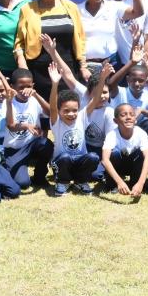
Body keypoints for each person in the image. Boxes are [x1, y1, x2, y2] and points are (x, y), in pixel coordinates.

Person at [14, 0, 88, 102]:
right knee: (45, 110)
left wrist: (83, 66)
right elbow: (19, 43)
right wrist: (22, 66)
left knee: (68, 106)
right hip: (39, 71)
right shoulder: (27, 9)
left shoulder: (70, 7)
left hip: (68, 68)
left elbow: (80, 38)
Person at [47, 63, 106, 196]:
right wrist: (55, 84)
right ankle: (63, 182)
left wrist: (102, 79)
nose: (71, 114)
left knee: (93, 157)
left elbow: (96, 99)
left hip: (79, 160)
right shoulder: (57, 122)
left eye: (74, 110)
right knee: (65, 158)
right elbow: (52, 108)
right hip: (62, 162)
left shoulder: (82, 117)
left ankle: (81, 181)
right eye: (66, 111)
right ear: (60, 111)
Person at [78, 0, 144, 73]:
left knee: (110, 90)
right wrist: (82, 66)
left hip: (111, 64)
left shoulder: (113, 6)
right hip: (85, 67)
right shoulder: (77, 10)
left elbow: (138, 12)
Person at [2, 68, 53, 188]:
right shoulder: (7, 103)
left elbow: (51, 113)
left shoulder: (34, 100)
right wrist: (26, 125)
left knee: (47, 144)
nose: (25, 91)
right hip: (14, 149)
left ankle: (39, 176)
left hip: (32, 145)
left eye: (28, 86)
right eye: (20, 87)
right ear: (12, 86)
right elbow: (11, 126)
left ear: (33, 85)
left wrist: (36, 94)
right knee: (23, 183)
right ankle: (6, 165)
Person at [100, 104, 148, 198]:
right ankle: (113, 185)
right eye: (123, 115)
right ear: (115, 121)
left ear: (135, 119)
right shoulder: (111, 135)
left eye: (132, 114)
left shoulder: (141, 133)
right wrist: (120, 182)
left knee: (142, 153)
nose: (128, 117)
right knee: (114, 153)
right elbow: (105, 160)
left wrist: (141, 183)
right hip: (119, 166)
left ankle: (135, 183)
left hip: (133, 166)